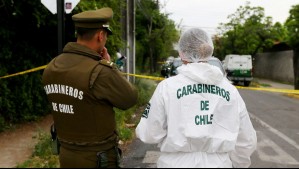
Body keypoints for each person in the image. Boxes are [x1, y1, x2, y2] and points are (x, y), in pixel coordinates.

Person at [135, 28, 257, 168]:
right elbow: (246, 140)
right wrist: (239, 164)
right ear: (208, 52)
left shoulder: (167, 88)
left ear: (181, 53)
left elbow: (150, 133)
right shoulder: (230, 91)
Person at [42, 7, 138, 168]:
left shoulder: (52, 66)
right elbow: (130, 98)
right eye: (106, 36)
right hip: (98, 159)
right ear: (100, 35)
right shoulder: (100, 72)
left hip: (66, 154)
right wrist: (110, 64)